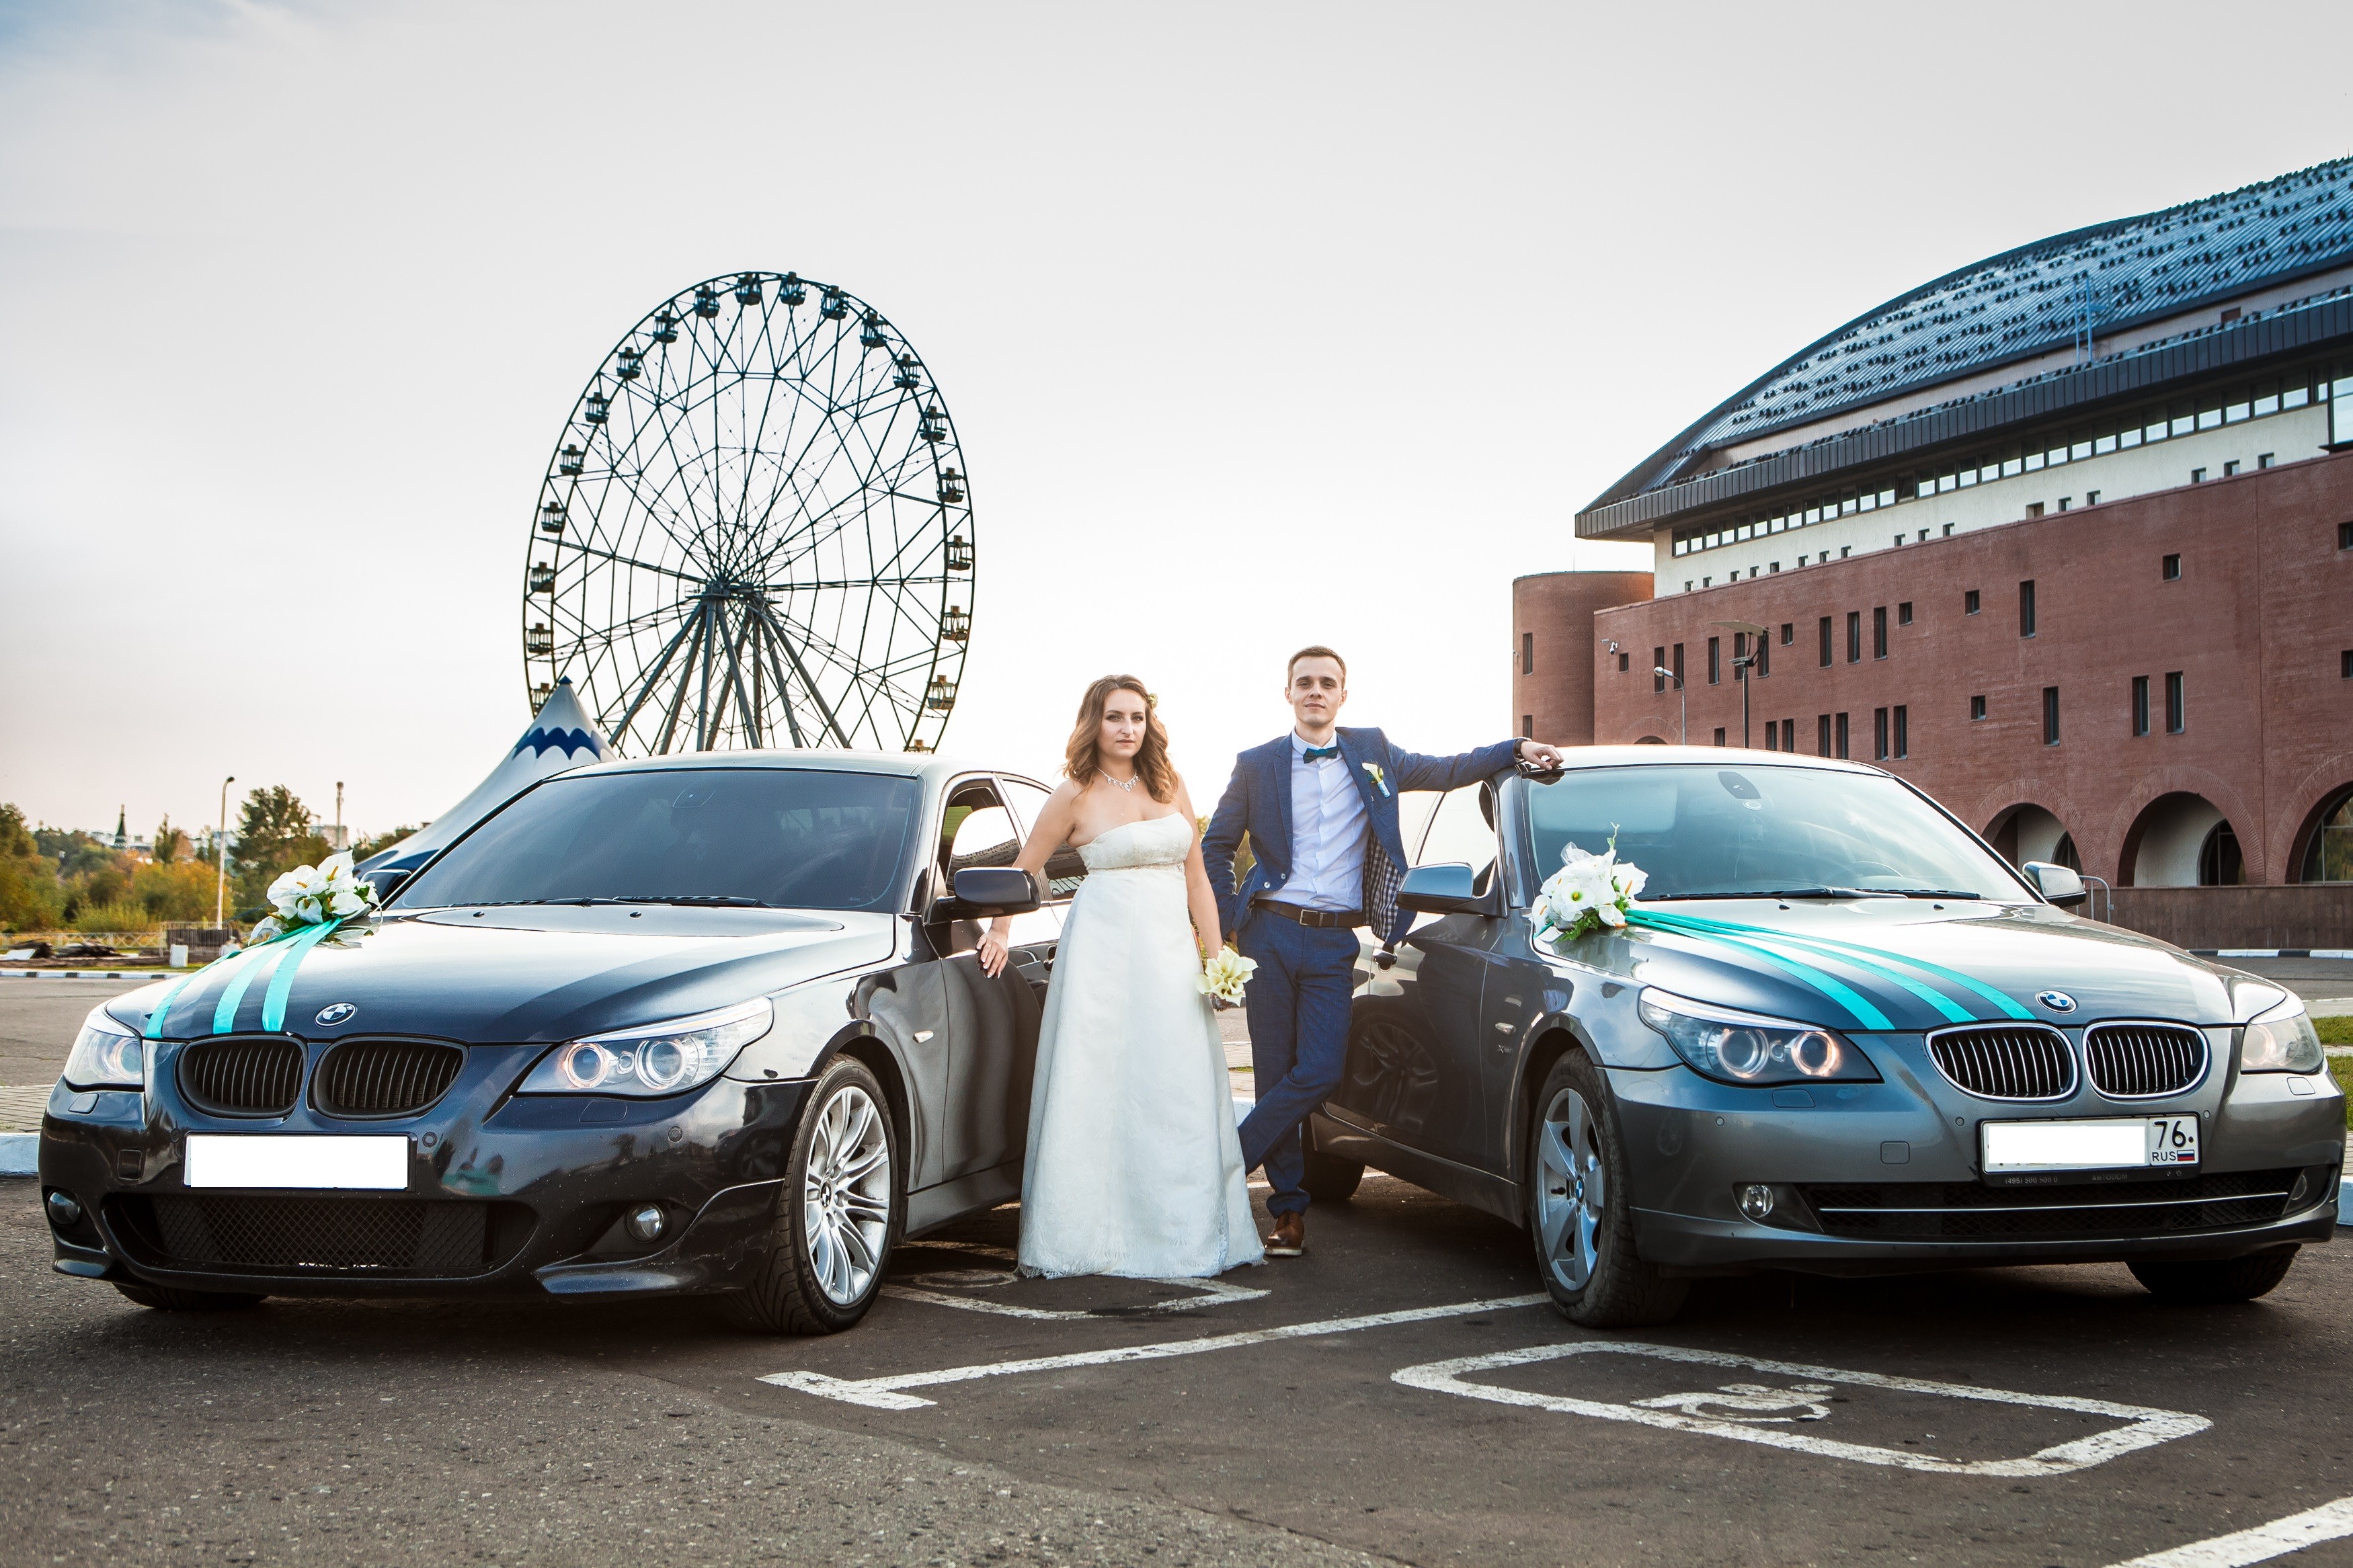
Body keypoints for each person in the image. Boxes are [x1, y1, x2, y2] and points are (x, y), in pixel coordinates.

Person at [1201, 646, 1564, 1257]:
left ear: (1344, 695)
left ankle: (1224, 1161)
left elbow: (1449, 768)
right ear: (1287, 693)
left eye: (1327, 682)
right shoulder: (1255, 764)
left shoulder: (1373, 752)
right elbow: (1215, 844)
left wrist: (1514, 748)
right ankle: (1287, 1211)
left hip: (1334, 939)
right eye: (1304, 682)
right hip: (1270, 932)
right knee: (1273, 1073)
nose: (1315, 691)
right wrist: (1231, 919)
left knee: (1321, 1070)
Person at [978, 675, 1263, 1279]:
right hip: (1101, 956)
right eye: (1115, 717)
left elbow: (1197, 880)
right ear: (1095, 722)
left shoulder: (1170, 783)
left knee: (1174, 1080)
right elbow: (1026, 869)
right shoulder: (1073, 794)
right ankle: (1088, 1236)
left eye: (1137, 716)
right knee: (1097, 1082)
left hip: (1170, 956)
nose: (1128, 728)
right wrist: (999, 930)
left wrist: (1217, 958)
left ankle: (1181, 1231)